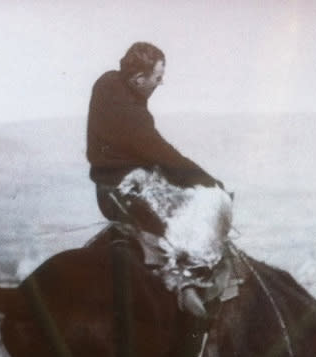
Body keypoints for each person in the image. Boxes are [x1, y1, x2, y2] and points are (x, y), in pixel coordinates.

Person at [86, 42, 231, 317]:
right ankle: (184, 282)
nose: (160, 83)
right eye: (157, 77)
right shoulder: (134, 116)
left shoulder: (106, 82)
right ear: (139, 80)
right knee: (182, 223)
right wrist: (207, 180)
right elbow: (163, 154)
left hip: (108, 187)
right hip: (126, 191)